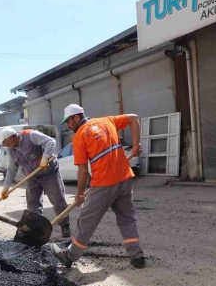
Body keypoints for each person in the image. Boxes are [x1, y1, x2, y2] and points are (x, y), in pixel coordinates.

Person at [49, 104, 145, 269]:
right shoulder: (107, 121)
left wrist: (79, 194)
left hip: (103, 184)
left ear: (77, 117)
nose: (67, 126)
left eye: (68, 121)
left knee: (86, 221)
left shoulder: (80, 136)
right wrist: (136, 145)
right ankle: (137, 257)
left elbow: (82, 171)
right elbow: (134, 118)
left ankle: (69, 256)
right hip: (124, 179)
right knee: (127, 219)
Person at [0, 126, 70, 238]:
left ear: (11, 138)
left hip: (49, 173)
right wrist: (6, 188)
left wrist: (45, 158)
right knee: (32, 204)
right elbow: (12, 169)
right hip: (32, 177)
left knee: (57, 201)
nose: (3, 144)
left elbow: (50, 142)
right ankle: (36, 229)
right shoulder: (11, 150)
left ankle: (64, 225)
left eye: (4, 141)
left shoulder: (31, 135)